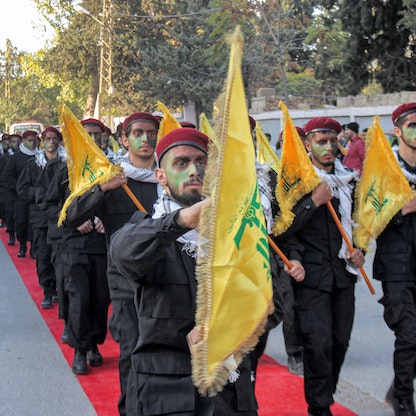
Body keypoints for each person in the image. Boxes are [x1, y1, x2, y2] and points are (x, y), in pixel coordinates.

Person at [109, 128, 215, 416]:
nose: (194, 170)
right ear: (161, 176)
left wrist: (224, 329)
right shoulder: (145, 229)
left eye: (201, 162)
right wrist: (180, 221)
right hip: (163, 387)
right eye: (181, 163)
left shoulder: (236, 235)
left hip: (226, 388)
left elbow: (273, 301)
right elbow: (123, 253)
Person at [65, 111, 160, 416]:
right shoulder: (112, 177)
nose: (145, 139)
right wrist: (103, 188)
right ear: (124, 139)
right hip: (125, 281)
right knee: (132, 350)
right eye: (137, 133)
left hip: (167, 279)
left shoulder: (168, 176)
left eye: (151, 133)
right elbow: (72, 217)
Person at [283, 117, 365, 416]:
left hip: (344, 276)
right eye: (322, 141)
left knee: (340, 342)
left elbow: (361, 225)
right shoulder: (296, 181)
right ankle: (319, 406)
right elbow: (284, 228)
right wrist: (313, 202)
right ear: (308, 145)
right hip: (312, 278)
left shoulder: (350, 180)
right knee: (318, 345)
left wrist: (361, 251)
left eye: (334, 141)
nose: (330, 147)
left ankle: (326, 394)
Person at [43, 117, 109, 375]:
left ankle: (94, 343)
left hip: (101, 246)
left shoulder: (109, 168)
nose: (92, 140)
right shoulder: (64, 170)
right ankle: (80, 350)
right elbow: (48, 204)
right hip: (73, 246)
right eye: (87, 135)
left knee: (101, 299)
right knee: (78, 299)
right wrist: (73, 222)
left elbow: (116, 205)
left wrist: (106, 220)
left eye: (97, 135)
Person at [376, 102, 416, 416]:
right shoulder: (383, 171)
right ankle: (403, 397)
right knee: (409, 336)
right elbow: (367, 220)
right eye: (412, 125)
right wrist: (403, 210)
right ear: (398, 131)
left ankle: (397, 388)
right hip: (397, 267)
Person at [16, 126, 63, 308]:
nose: (51, 142)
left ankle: (60, 288)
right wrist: (38, 194)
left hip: (59, 218)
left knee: (59, 257)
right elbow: (22, 188)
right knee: (43, 256)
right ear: (42, 142)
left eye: (54, 138)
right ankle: (47, 290)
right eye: (48, 138)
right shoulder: (33, 165)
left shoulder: (65, 163)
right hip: (40, 219)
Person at [2, 130, 39, 257]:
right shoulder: (16, 157)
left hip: (35, 197)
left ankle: (34, 247)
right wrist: (18, 187)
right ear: (23, 141)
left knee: (34, 223)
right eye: (29, 140)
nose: (32, 143)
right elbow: (7, 176)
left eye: (34, 140)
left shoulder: (39, 156)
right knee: (21, 222)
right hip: (19, 197)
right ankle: (22, 244)